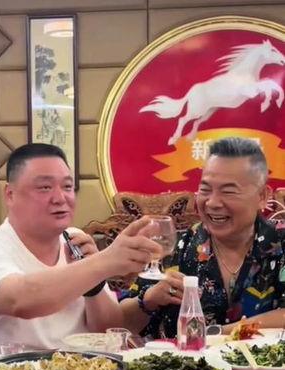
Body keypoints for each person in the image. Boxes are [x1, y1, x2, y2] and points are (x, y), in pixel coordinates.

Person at [0, 143, 161, 355]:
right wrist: (103, 262)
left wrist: (94, 286)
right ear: (10, 194)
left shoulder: (75, 241)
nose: (60, 198)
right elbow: (19, 300)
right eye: (45, 188)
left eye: (67, 186)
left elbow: (106, 331)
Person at [120, 136, 285, 338]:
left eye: (228, 192)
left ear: (262, 197)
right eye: (205, 189)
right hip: (180, 359)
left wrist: (218, 334)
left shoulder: (280, 243)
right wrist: (149, 300)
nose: (212, 203)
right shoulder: (178, 247)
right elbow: (119, 324)